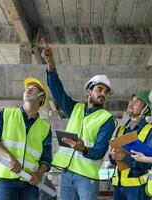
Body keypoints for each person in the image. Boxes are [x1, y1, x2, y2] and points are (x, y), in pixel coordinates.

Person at [41, 45, 117, 200]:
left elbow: (101, 150)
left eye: (106, 92)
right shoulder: (75, 108)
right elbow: (57, 91)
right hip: (67, 174)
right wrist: (51, 65)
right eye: (99, 89)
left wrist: (84, 149)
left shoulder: (107, 119)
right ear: (88, 91)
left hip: (87, 177)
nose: (103, 94)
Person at [0, 78, 52, 200]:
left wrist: (39, 174)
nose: (28, 89)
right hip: (6, 178)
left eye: (34, 88)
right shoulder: (6, 114)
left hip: (30, 182)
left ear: (41, 97)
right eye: (27, 88)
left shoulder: (45, 127)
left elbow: (46, 158)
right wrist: (10, 158)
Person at [109, 90, 152, 200]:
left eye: (138, 101)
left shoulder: (150, 131)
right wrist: (112, 155)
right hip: (118, 187)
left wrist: (125, 158)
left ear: (146, 109)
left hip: (137, 189)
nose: (131, 103)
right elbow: (114, 161)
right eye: (131, 100)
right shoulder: (121, 129)